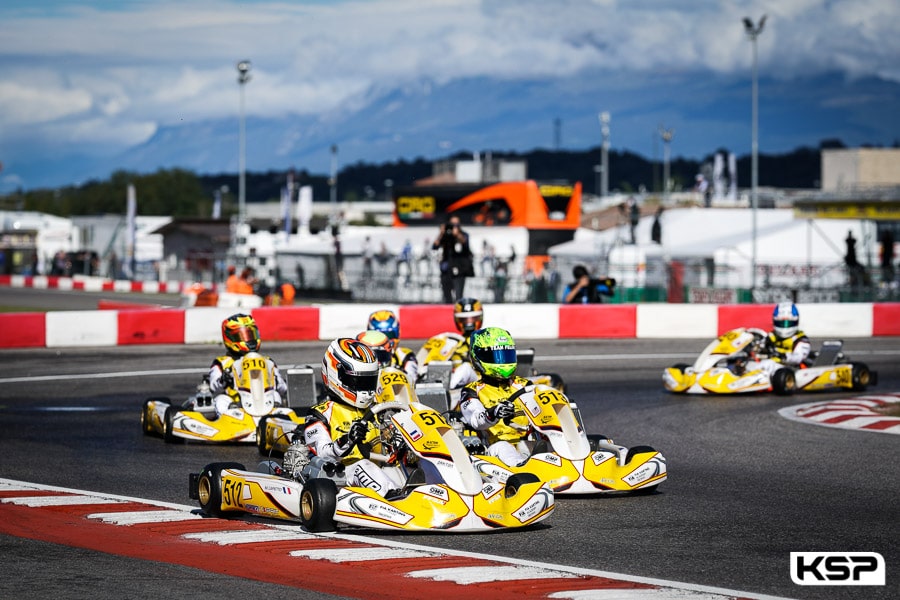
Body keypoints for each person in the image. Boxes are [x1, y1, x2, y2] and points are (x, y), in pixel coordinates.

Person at [302, 338, 402, 497]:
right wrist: (347, 440)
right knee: (360, 464)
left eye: (369, 381)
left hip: (377, 472)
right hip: (339, 477)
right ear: (337, 375)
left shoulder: (376, 409)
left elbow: (386, 447)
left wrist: (399, 441)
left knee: (395, 467)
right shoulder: (320, 414)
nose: (366, 389)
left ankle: (422, 494)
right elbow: (321, 452)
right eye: (359, 381)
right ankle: (394, 499)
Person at [458, 327, 533, 467]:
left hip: (527, 444)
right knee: (502, 447)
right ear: (478, 357)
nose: (502, 361)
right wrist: (494, 413)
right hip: (492, 451)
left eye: (506, 354)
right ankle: (524, 471)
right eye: (495, 356)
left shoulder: (525, 385)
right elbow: (476, 420)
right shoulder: (471, 391)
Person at [207, 313, 288, 417]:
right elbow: (213, 388)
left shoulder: (267, 362)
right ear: (230, 338)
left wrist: (276, 380)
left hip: (264, 403)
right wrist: (224, 379)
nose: (248, 339)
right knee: (220, 400)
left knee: (275, 395)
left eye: (251, 335)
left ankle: (275, 422)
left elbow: (283, 389)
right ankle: (230, 425)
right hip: (236, 405)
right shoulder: (222, 362)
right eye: (242, 336)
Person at [758, 302, 812, 377]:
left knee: (768, 364)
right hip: (772, 365)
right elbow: (760, 347)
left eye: (788, 323)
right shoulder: (772, 336)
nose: (785, 327)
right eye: (781, 323)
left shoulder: (801, 339)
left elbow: (798, 358)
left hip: (792, 368)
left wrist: (782, 356)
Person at [365, 309, 419, 382]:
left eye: (389, 335)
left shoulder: (404, 356)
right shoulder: (365, 356)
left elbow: (412, 382)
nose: (385, 340)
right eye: (380, 335)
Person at [432, 214, 473, 303]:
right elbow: (435, 246)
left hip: (459, 269)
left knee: (458, 296)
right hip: (446, 269)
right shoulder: (445, 236)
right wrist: (442, 233)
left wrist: (457, 234)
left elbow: (465, 243)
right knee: (446, 296)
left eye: (456, 224)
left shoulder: (464, 234)